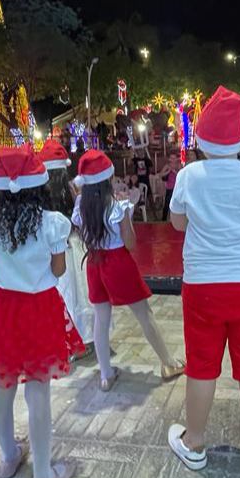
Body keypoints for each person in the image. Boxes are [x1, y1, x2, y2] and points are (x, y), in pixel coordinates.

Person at [167, 86, 240, 473]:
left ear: (201, 139)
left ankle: (195, 443)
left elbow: (177, 223)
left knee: (201, 365)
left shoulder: (188, 176)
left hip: (202, 285)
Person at [0, 146, 83, 478]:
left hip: (2, 308)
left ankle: (8, 457)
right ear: (39, 184)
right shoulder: (52, 223)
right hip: (38, 307)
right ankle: (43, 477)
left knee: (3, 385)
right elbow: (58, 270)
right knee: (38, 390)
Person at [72, 150, 184, 391]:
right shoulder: (117, 206)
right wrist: (127, 213)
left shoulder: (81, 205)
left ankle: (105, 374)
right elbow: (130, 243)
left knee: (101, 318)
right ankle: (168, 363)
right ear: (108, 178)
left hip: (94, 261)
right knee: (144, 313)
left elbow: (83, 234)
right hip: (118, 262)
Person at [39, 140, 95, 357]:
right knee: (80, 293)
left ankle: (59, 341)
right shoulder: (72, 189)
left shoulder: (38, 192)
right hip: (74, 247)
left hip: (50, 252)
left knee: (61, 294)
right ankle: (82, 340)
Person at [158, 153, 181, 221]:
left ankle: (177, 219)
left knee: (177, 204)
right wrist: (168, 171)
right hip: (169, 187)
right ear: (169, 159)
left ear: (176, 159)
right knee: (167, 204)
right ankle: (164, 219)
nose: (173, 160)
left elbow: (181, 175)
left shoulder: (179, 165)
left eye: (174, 158)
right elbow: (160, 175)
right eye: (171, 158)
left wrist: (174, 171)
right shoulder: (167, 166)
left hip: (177, 188)